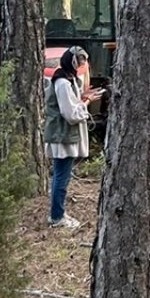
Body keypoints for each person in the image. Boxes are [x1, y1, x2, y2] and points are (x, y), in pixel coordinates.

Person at [43, 46, 99, 229]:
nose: (82, 64)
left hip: (65, 134)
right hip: (62, 135)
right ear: (72, 60)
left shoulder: (68, 78)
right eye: (80, 60)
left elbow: (72, 103)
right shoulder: (62, 82)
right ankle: (57, 216)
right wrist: (88, 103)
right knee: (61, 176)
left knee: (62, 175)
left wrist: (85, 97)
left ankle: (58, 213)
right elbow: (70, 113)